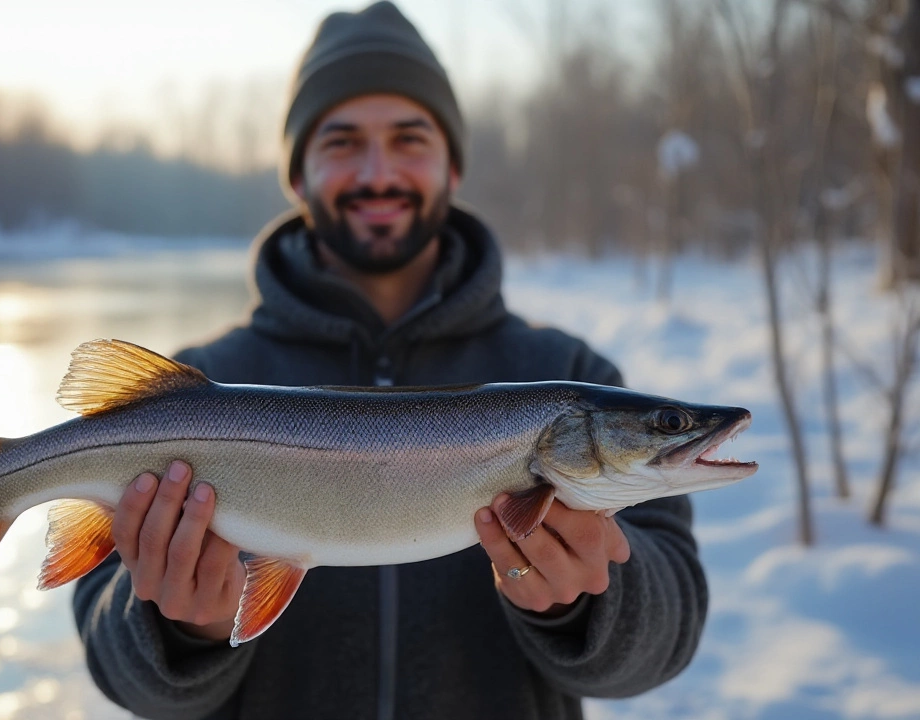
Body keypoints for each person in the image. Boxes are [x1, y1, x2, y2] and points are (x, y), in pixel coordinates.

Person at [73, 3, 707, 718]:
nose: (378, 172)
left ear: (452, 163)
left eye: (409, 138)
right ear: (295, 174)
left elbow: (672, 631)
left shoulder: (568, 371)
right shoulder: (199, 384)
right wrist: (184, 625)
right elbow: (113, 659)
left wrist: (588, 602)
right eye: (342, 142)